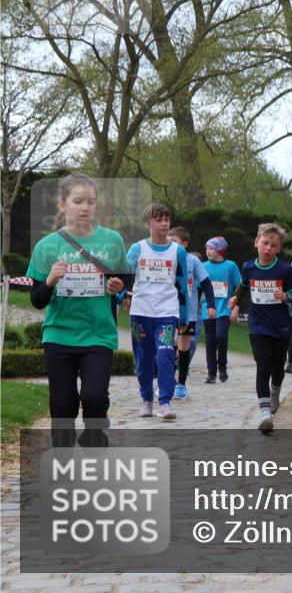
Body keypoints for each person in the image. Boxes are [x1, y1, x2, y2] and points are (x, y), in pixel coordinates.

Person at [27, 174, 131, 447]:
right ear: (62, 205)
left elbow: (125, 279)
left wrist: (119, 285)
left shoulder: (112, 241)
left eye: (91, 202)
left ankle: (94, 435)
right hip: (59, 335)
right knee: (63, 405)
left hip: (99, 334)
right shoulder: (46, 246)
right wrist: (50, 280)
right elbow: (37, 300)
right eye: (78, 201)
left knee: (95, 397)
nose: (85, 207)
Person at [227, 222, 292, 433]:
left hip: (280, 326)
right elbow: (243, 285)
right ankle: (265, 413)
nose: (268, 248)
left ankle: (275, 391)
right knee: (263, 366)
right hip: (258, 325)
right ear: (257, 242)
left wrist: (286, 296)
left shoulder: (285, 270)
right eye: (265, 243)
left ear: (278, 248)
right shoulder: (249, 267)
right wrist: (236, 298)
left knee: (278, 369)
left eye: (273, 245)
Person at [126, 203, 190, 421]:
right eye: (159, 220)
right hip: (140, 313)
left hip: (166, 313)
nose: (164, 224)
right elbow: (124, 277)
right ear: (148, 224)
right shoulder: (137, 249)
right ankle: (146, 399)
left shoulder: (178, 252)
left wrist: (184, 315)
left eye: (167, 219)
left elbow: (182, 285)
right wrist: (121, 296)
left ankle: (165, 401)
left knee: (165, 355)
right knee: (143, 359)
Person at [167, 227, 216, 400]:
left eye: (175, 242)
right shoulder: (164, 259)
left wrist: (211, 305)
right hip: (166, 312)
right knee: (168, 346)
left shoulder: (193, 261)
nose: (170, 245)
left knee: (184, 345)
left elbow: (207, 284)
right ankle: (168, 383)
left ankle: (181, 384)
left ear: (185, 244)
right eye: (168, 241)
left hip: (187, 314)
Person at [201, 236, 241, 383]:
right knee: (210, 340)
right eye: (206, 248)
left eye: (211, 248)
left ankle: (222, 367)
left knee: (220, 336)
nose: (208, 251)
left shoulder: (231, 266)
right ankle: (211, 373)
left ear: (220, 250)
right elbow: (199, 288)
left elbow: (239, 288)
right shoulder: (204, 266)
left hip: (224, 309)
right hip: (208, 308)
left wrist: (236, 308)